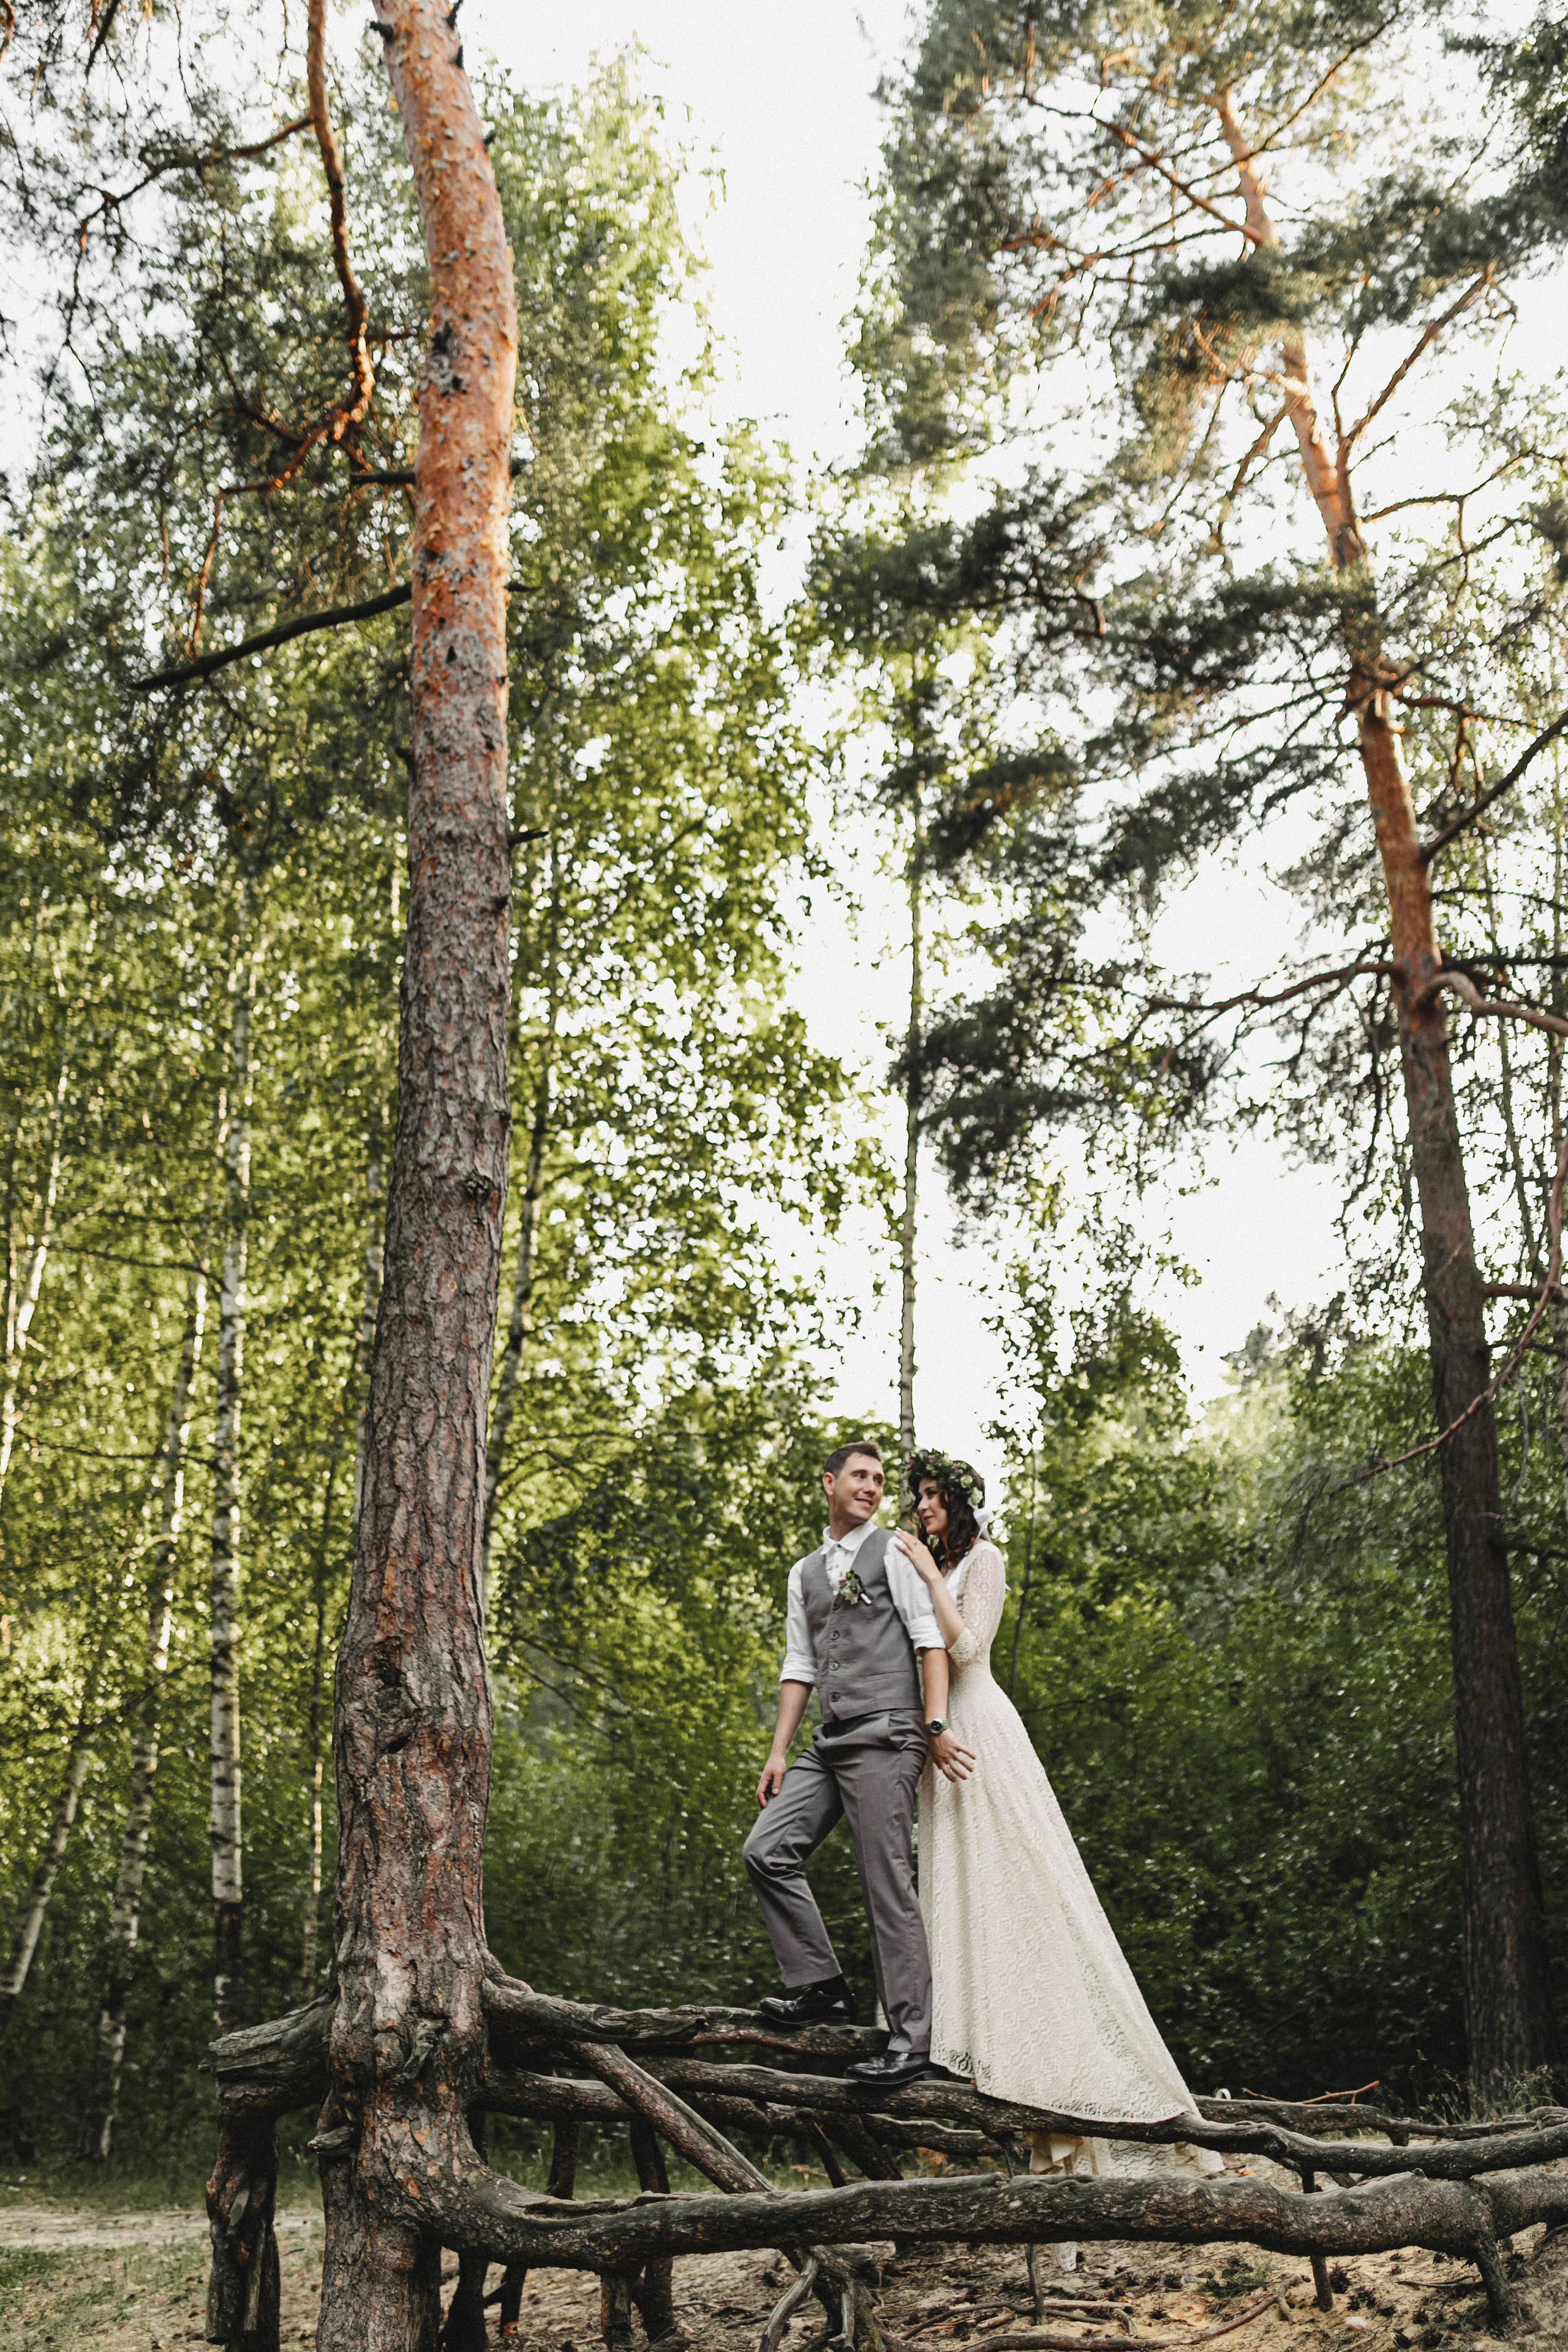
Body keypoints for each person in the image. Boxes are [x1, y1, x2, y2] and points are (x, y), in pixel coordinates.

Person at [893, 1448, 1223, 2229]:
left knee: (1020, 1887)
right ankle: (994, 2051)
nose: (923, 1506)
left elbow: (969, 1648)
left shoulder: (985, 1559)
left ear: (961, 1502)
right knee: (963, 1893)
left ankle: (1082, 2083)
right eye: (919, 1497)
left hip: (981, 1731)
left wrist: (930, 1578)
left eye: (935, 1495)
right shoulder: (925, 1563)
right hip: (936, 1737)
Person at [742, 1440, 975, 2088]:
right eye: (859, 1476)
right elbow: (800, 1665)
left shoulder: (895, 1552)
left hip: (887, 1733)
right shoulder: (804, 1573)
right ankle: (819, 1984)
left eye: (878, 1479)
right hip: (831, 1736)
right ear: (829, 1483)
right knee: (766, 1849)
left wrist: (932, 1727)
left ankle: (911, 2042)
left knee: (886, 1885)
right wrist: (779, 1751)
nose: (872, 1487)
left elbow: (930, 1641)